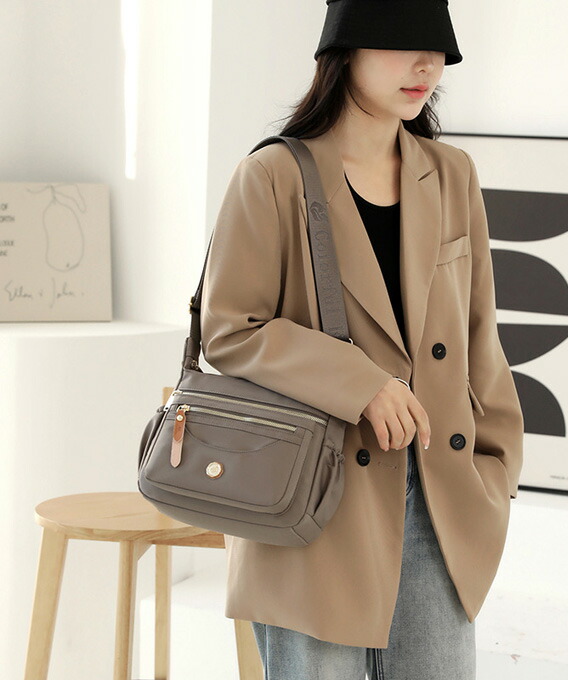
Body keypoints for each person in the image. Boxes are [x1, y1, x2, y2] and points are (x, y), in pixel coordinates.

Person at [199, 1, 524, 678]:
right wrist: (362, 383)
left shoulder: (452, 173)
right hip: (314, 499)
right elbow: (230, 329)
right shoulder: (274, 176)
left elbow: (479, 333)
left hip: (441, 496)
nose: (427, 64)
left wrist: (496, 465)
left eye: (439, 49)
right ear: (344, 49)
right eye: (403, 43)